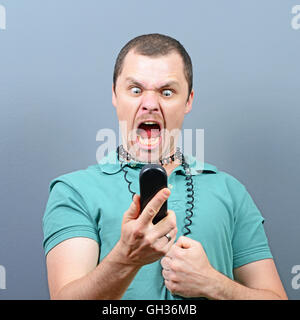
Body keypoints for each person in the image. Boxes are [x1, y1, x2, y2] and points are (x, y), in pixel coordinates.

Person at [43, 33, 288, 300]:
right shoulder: (74, 191)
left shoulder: (229, 190)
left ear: (188, 100)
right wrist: (125, 259)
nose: (149, 104)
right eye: (135, 90)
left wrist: (214, 284)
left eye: (167, 91)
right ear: (115, 94)